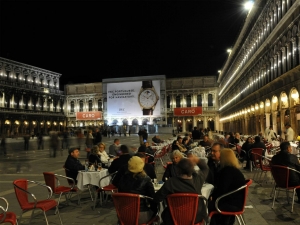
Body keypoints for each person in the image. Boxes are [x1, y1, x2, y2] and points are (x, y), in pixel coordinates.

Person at [154, 157, 209, 225]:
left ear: (178, 170)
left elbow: (157, 198)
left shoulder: (171, 182)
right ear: (192, 169)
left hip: (174, 218)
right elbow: (205, 168)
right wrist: (196, 160)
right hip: (195, 218)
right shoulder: (198, 180)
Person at [208, 149, 245, 225]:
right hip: (236, 201)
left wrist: (213, 196)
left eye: (221, 157)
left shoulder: (227, 172)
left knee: (205, 206)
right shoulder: (234, 170)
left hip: (231, 204)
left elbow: (222, 190)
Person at [117, 156, 157, 224]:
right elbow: (152, 199)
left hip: (124, 215)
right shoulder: (146, 179)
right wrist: (155, 210)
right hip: (140, 215)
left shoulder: (122, 179)